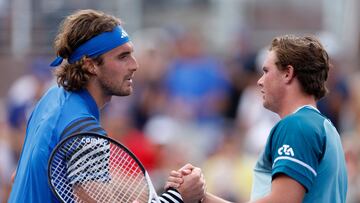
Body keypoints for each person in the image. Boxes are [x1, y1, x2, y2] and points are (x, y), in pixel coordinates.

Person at [8, 9, 204, 203]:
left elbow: (19, 176)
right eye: (122, 56)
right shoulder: (85, 131)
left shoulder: (51, 99)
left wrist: (144, 187)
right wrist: (179, 197)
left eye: (131, 54)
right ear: (90, 65)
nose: (134, 65)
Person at [167, 35, 348, 203]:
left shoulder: (296, 125)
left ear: (288, 73)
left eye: (266, 71)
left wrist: (201, 198)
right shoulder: (325, 127)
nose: (260, 81)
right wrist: (200, 197)